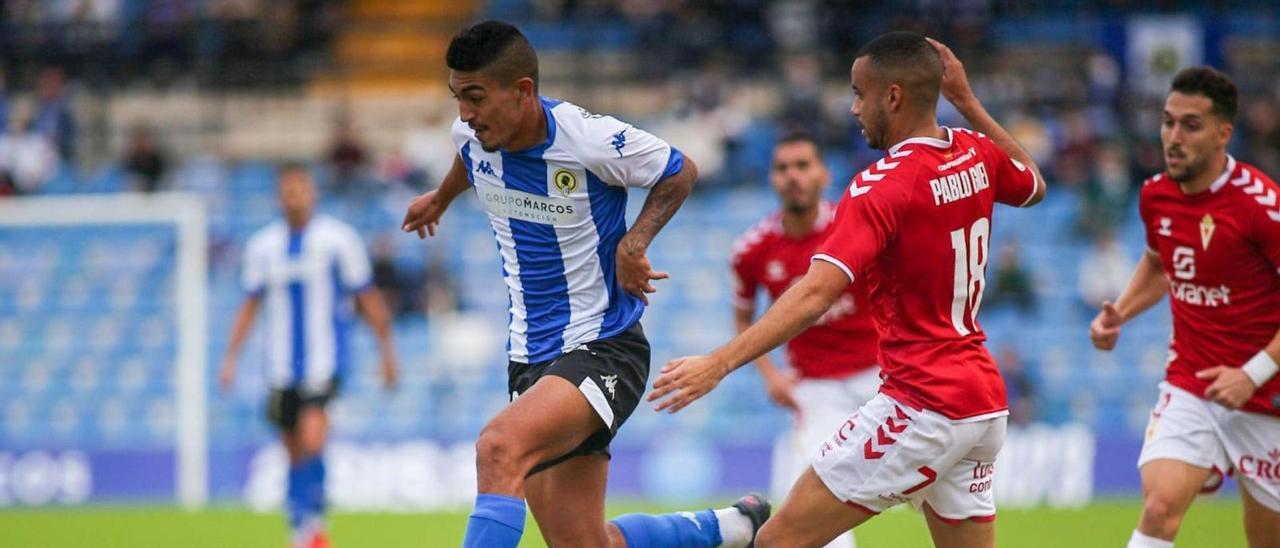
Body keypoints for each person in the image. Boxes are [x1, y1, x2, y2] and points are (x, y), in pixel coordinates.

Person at [649, 32, 1046, 547]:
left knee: (775, 541)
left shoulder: (880, 186)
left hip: (921, 399)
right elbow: (1033, 184)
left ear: (894, 97)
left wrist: (719, 363)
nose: (854, 108)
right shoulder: (973, 153)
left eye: (860, 93)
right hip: (980, 401)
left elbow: (816, 294)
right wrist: (967, 103)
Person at [399, 21, 768, 548]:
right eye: (458, 97)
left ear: (523, 91)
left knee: (498, 448)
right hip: (531, 357)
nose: (465, 113)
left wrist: (633, 243)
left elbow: (679, 169)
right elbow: (468, 155)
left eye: (476, 97)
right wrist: (441, 197)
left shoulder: (587, 139)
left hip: (604, 347)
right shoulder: (474, 137)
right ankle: (733, 528)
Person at [1088, 66, 1280, 548]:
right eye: (1168, 122)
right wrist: (1121, 313)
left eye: (1190, 125)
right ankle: (1206, 461)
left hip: (1265, 396)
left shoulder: (1261, 206)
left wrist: (1251, 374)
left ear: (1223, 133)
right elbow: (1159, 264)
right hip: (1191, 382)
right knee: (1159, 509)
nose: (1173, 137)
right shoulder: (1156, 195)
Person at [220, 165, 399, 548]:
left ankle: (311, 528)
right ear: (279, 197)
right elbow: (249, 305)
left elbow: (367, 298)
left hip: (324, 361)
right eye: (287, 190)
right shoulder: (263, 246)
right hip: (280, 367)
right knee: (293, 449)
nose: (293, 196)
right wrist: (231, 357)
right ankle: (300, 525)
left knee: (313, 436)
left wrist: (386, 353)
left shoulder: (338, 240)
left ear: (312, 193)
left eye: (300, 189)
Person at [730, 131, 880, 548]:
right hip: (815, 389)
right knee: (814, 498)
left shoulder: (854, 226)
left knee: (934, 483)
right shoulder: (752, 249)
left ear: (822, 174)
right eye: (782, 168)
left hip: (883, 376)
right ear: (772, 179)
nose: (793, 176)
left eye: (802, 165)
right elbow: (743, 318)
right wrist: (769, 376)